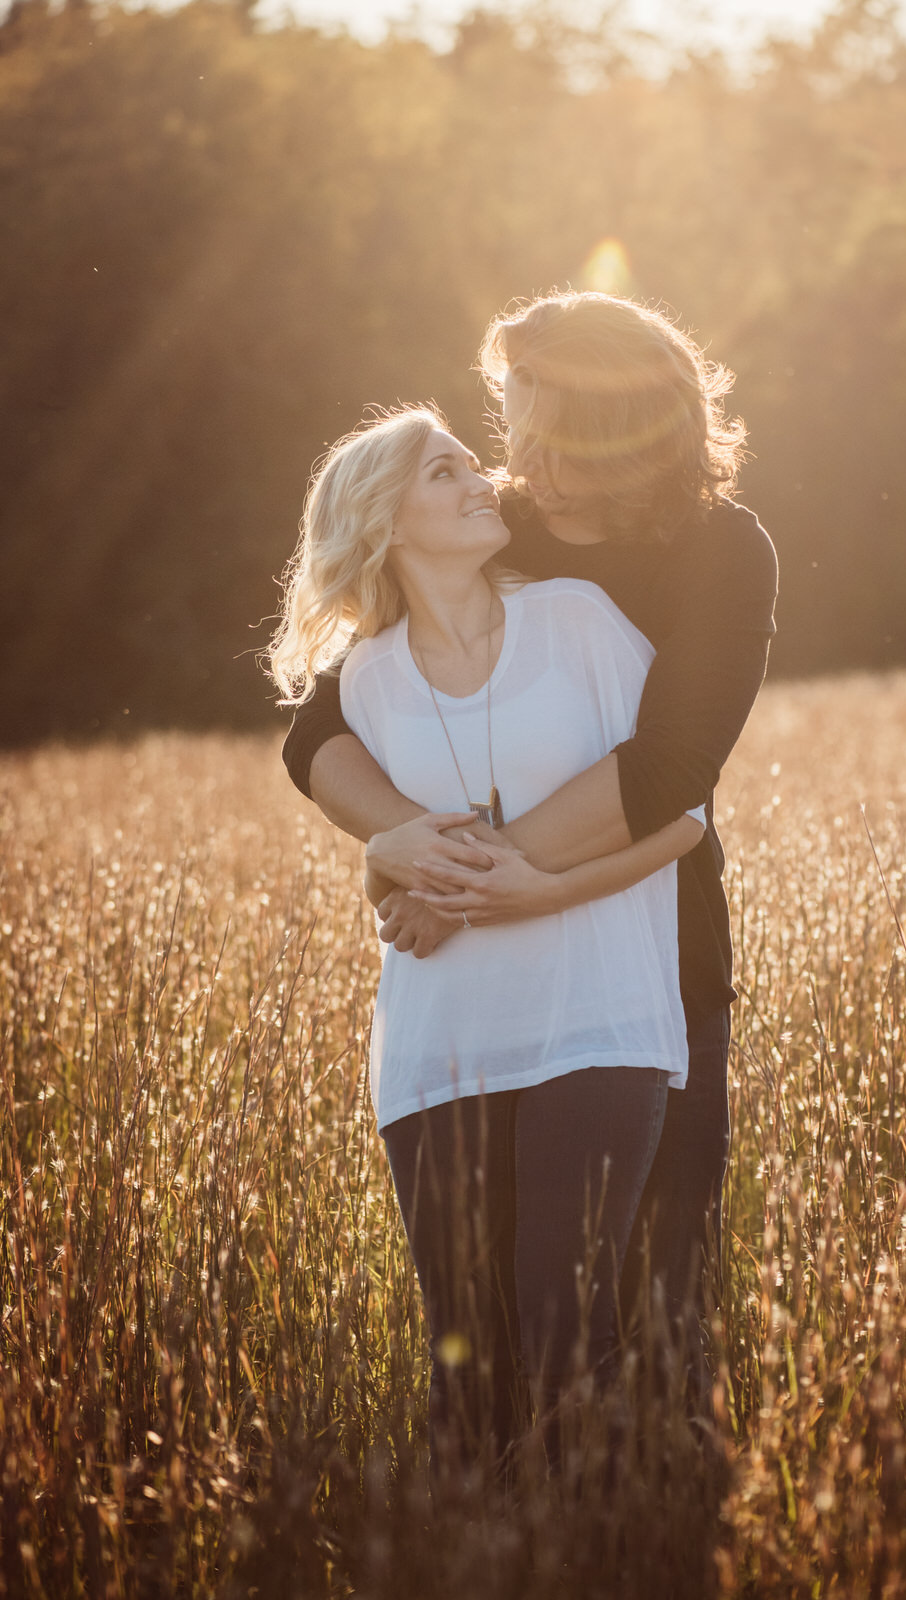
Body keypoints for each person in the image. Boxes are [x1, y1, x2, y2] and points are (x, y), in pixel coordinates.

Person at [282, 292, 778, 1350]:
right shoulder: (499, 524)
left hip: (660, 963)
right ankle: (499, 1511)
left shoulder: (721, 550)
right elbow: (320, 728)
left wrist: (470, 879)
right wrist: (403, 838)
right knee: (492, 1320)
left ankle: (643, 1510)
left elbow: (673, 765)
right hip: (482, 995)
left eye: (542, 429)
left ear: (617, 425)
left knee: (656, 1301)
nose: (517, 457)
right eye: (510, 423)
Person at [270, 405, 707, 1474]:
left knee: (567, 1333)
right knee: (468, 1368)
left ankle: (608, 1553)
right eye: (446, 471)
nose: (484, 480)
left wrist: (530, 894)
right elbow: (384, 861)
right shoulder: (366, 685)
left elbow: (684, 820)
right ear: (385, 522)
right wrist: (393, 861)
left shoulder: (581, 621)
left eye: (474, 462)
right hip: (436, 1046)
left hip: (597, 1021)